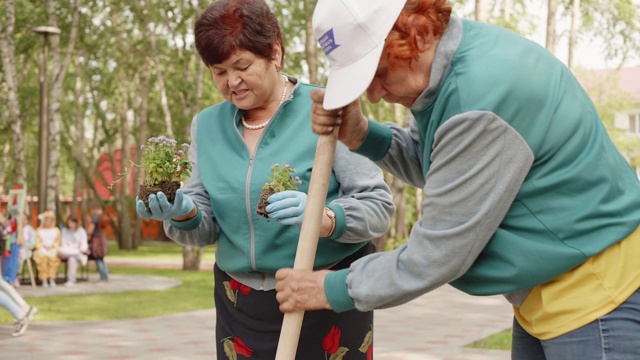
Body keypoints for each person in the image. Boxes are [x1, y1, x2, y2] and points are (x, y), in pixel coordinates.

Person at [275, 0, 640, 359]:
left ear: (415, 37)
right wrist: (360, 134)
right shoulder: (458, 63)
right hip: (553, 289)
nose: (373, 94)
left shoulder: (478, 94)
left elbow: (438, 253)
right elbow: (444, 165)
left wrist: (326, 287)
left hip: (592, 295)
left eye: (379, 73)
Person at [135, 0, 394, 358]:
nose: (232, 82)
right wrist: (183, 212)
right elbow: (204, 228)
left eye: (242, 66)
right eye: (219, 72)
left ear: (275, 52)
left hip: (323, 292)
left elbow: (378, 207)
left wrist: (324, 217)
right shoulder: (207, 126)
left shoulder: (327, 107)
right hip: (239, 302)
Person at [32, 211, 61, 288]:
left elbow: (57, 241)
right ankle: (44, 278)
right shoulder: (39, 230)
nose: (48, 222)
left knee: (53, 257)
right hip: (42, 248)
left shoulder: (56, 230)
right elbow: (37, 241)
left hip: (52, 248)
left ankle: (52, 278)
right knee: (42, 257)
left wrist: (52, 246)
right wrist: (43, 246)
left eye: (49, 220)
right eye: (46, 220)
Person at [58, 215, 89, 286]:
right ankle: (80, 256)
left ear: (76, 223)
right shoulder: (65, 230)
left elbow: (84, 244)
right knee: (58, 250)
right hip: (67, 251)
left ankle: (71, 280)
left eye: (72, 223)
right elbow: (63, 243)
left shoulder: (81, 231)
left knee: (72, 258)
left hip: (76, 251)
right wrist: (71, 250)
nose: (70, 224)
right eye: (69, 223)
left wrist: (81, 249)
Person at [86, 202, 108, 283]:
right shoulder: (102, 217)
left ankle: (103, 278)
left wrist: (87, 234)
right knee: (101, 259)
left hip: (96, 239)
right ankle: (105, 276)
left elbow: (90, 230)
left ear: (95, 209)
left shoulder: (95, 218)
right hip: (102, 238)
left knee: (98, 258)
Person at [1, 212, 21, 287]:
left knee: (12, 262)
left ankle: (10, 278)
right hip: (5, 248)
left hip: (10, 245)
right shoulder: (4, 225)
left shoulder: (14, 224)